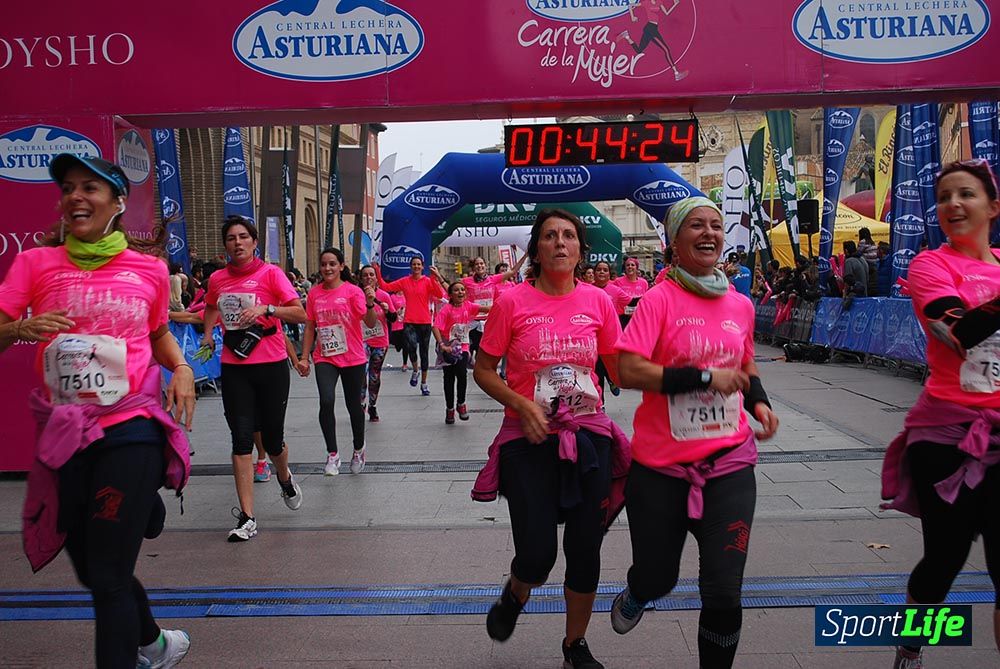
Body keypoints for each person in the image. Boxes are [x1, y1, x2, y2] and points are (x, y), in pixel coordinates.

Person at [0, 154, 194, 668]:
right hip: (66, 434)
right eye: (68, 188)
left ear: (117, 203)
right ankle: (153, 642)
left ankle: (138, 498)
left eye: (90, 187)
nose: (76, 197)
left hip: (130, 427)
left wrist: (182, 369)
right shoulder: (34, 265)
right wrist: (19, 329)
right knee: (92, 569)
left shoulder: (148, 269)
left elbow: (157, 335)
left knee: (107, 577)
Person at [609, 196, 779, 669]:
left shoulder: (740, 305)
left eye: (716, 226)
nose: (709, 233)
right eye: (696, 226)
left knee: (723, 591)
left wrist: (758, 400)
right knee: (658, 577)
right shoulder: (659, 300)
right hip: (660, 470)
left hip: (729, 463)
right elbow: (626, 368)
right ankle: (639, 590)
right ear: (674, 243)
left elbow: (742, 362)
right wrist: (702, 378)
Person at [471, 208, 630, 669]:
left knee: (585, 547)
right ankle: (516, 593)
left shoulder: (599, 302)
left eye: (569, 236)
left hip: (588, 435)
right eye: (549, 236)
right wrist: (522, 404)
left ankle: (574, 645)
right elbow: (483, 370)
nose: (560, 242)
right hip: (528, 436)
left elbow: (618, 370)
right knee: (538, 555)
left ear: (580, 249)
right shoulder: (511, 302)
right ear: (536, 250)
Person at [880, 159, 1000, 668]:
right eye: (944, 195)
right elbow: (960, 332)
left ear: (992, 206)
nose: (953, 204)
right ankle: (913, 640)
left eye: (966, 194)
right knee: (945, 560)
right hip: (946, 434)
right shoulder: (931, 265)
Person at [200, 215, 306, 542]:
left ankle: (285, 477)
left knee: (273, 440)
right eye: (231, 238)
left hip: (270, 364)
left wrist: (267, 310)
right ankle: (247, 516)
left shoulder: (271, 274)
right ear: (226, 246)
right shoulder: (217, 279)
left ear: (254, 241)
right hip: (235, 367)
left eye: (243, 237)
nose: (237, 243)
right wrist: (207, 334)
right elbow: (209, 307)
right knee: (242, 438)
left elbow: (300, 312)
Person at [296, 248, 378, 476]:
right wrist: (304, 357)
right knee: (326, 400)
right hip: (325, 357)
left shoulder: (353, 291)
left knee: (354, 406)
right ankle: (332, 454)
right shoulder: (314, 293)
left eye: (332, 264)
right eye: (324, 264)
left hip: (352, 357)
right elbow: (310, 326)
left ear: (341, 266)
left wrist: (370, 304)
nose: (327, 268)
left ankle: (358, 448)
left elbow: (370, 323)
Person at [375, 257, 445, 396]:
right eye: (414, 264)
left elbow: (439, 294)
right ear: (410, 266)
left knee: (424, 353)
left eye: (419, 264)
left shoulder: (427, 281)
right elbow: (385, 287)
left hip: (424, 322)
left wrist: (434, 278)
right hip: (410, 321)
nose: (416, 267)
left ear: (422, 266)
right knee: (411, 348)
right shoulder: (405, 281)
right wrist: (377, 270)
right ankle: (415, 370)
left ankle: (424, 383)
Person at [434, 281, 488, 424]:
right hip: (448, 348)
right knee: (449, 378)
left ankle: (461, 404)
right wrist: (442, 345)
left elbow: (486, 308)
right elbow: (436, 327)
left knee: (462, 375)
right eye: (456, 290)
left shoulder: (468, 306)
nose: (460, 292)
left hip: (463, 348)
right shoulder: (446, 309)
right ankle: (450, 409)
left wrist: (505, 305)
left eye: (463, 290)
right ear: (451, 294)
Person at [463, 255, 526, 367]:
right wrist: (439, 278)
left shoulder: (492, 279)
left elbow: (512, 272)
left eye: (481, 263)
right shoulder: (467, 281)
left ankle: (485, 373)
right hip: (473, 323)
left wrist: (525, 255)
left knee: (486, 354)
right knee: (475, 353)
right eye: (477, 264)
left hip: (489, 322)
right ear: (473, 268)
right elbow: (452, 290)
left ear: (485, 266)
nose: (480, 266)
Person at [358, 264, 396, 423]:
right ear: (361, 278)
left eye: (371, 275)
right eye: (365, 275)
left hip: (380, 341)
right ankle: (360, 404)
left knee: (374, 375)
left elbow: (394, 319)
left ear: (376, 277)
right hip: (361, 341)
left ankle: (372, 405)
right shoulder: (356, 294)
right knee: (361, 374)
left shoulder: (384, 296)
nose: (368, 278)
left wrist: (388, 311)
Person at [593, 260, 630, 398]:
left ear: (609, 274)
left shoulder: (616, 291)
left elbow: (632, 301)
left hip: (610, 336)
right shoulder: (587, 289)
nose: (602, 272)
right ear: (594, 273)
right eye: (599, 270)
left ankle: (612, 380)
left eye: (605, 270)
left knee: (607, 366)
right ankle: (600, 402)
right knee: (597, 370)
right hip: (593, 337)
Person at [612, 256, 649, 325]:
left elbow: (645, 301)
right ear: (625, 268)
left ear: (637, 268)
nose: (630, 267)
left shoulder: (644, 283)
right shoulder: (617, 281)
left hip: (638, 317)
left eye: (632, 265)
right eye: (627, 265)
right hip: (622, 318)